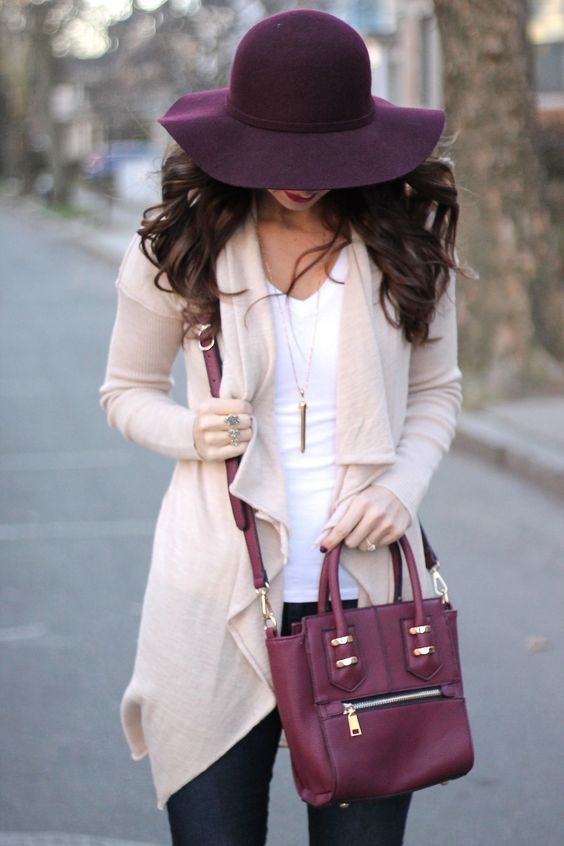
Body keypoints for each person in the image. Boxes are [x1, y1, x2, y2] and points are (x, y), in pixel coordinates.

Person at [99, 8, 465, 845]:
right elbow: (124, 391)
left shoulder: (406, 243)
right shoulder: (180, 247)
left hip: (365, 604)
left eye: (321, 155)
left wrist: (400, 489)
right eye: (279, 153)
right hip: (212, 611)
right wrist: (192, 431)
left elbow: (439, 392)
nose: (299, 177)